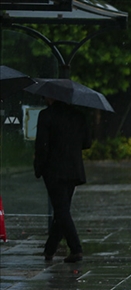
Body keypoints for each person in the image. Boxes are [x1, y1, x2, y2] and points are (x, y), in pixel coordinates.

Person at [33, 97, 92, 263]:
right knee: (62, 209)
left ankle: (76, 248)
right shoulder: (78, 115)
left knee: (61, 210)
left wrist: (38, 167)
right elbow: (87, 142)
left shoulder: (46, 115)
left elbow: (42, 145)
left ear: (52, 97)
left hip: (54, 170)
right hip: (73, 169)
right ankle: (50, 249)